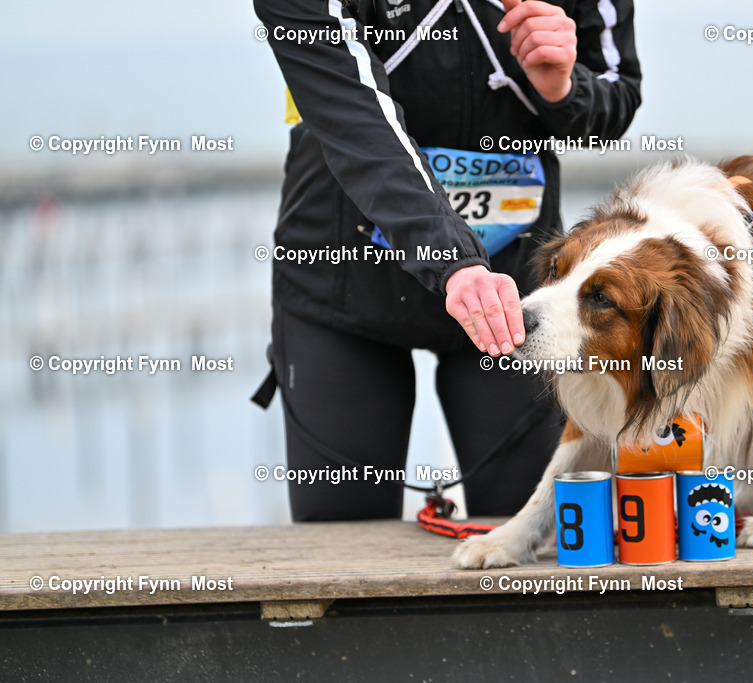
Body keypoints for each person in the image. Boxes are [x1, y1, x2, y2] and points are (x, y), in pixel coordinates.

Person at [252, 0, 641, 520]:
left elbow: (616, 97)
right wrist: (454, 259)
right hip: (343, 279)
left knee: (536, 536)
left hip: (519, 287)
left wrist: (566, 90)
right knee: (340, 549)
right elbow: (362, 127)